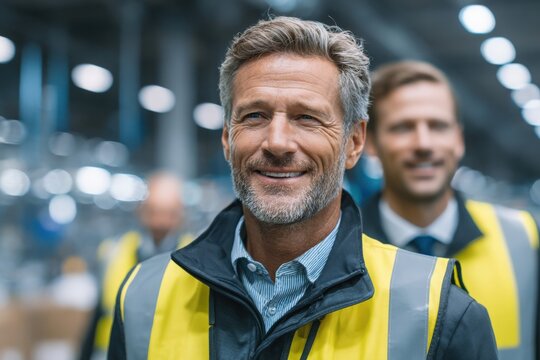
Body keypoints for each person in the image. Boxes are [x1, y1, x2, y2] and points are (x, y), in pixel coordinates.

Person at [108, 17, 497, 359]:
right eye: (255, 116)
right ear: (227, 138)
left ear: (354, 142)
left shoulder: (440, 315)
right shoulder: (145, 296)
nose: (277, 142)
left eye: (307, 118)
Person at [361, 60, 539, 359]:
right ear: (369, 142)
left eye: (438, 126)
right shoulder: (341, 249)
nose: (423, 143)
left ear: (458, 139)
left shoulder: (524, 237)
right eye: (403, 127)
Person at [79, 172, 192, 360]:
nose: (160, 221)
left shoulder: (196, 257)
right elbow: (98, 315)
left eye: (168, 212)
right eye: (154, 211)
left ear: (180, 214)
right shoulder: (113, 252)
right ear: (142, 210)